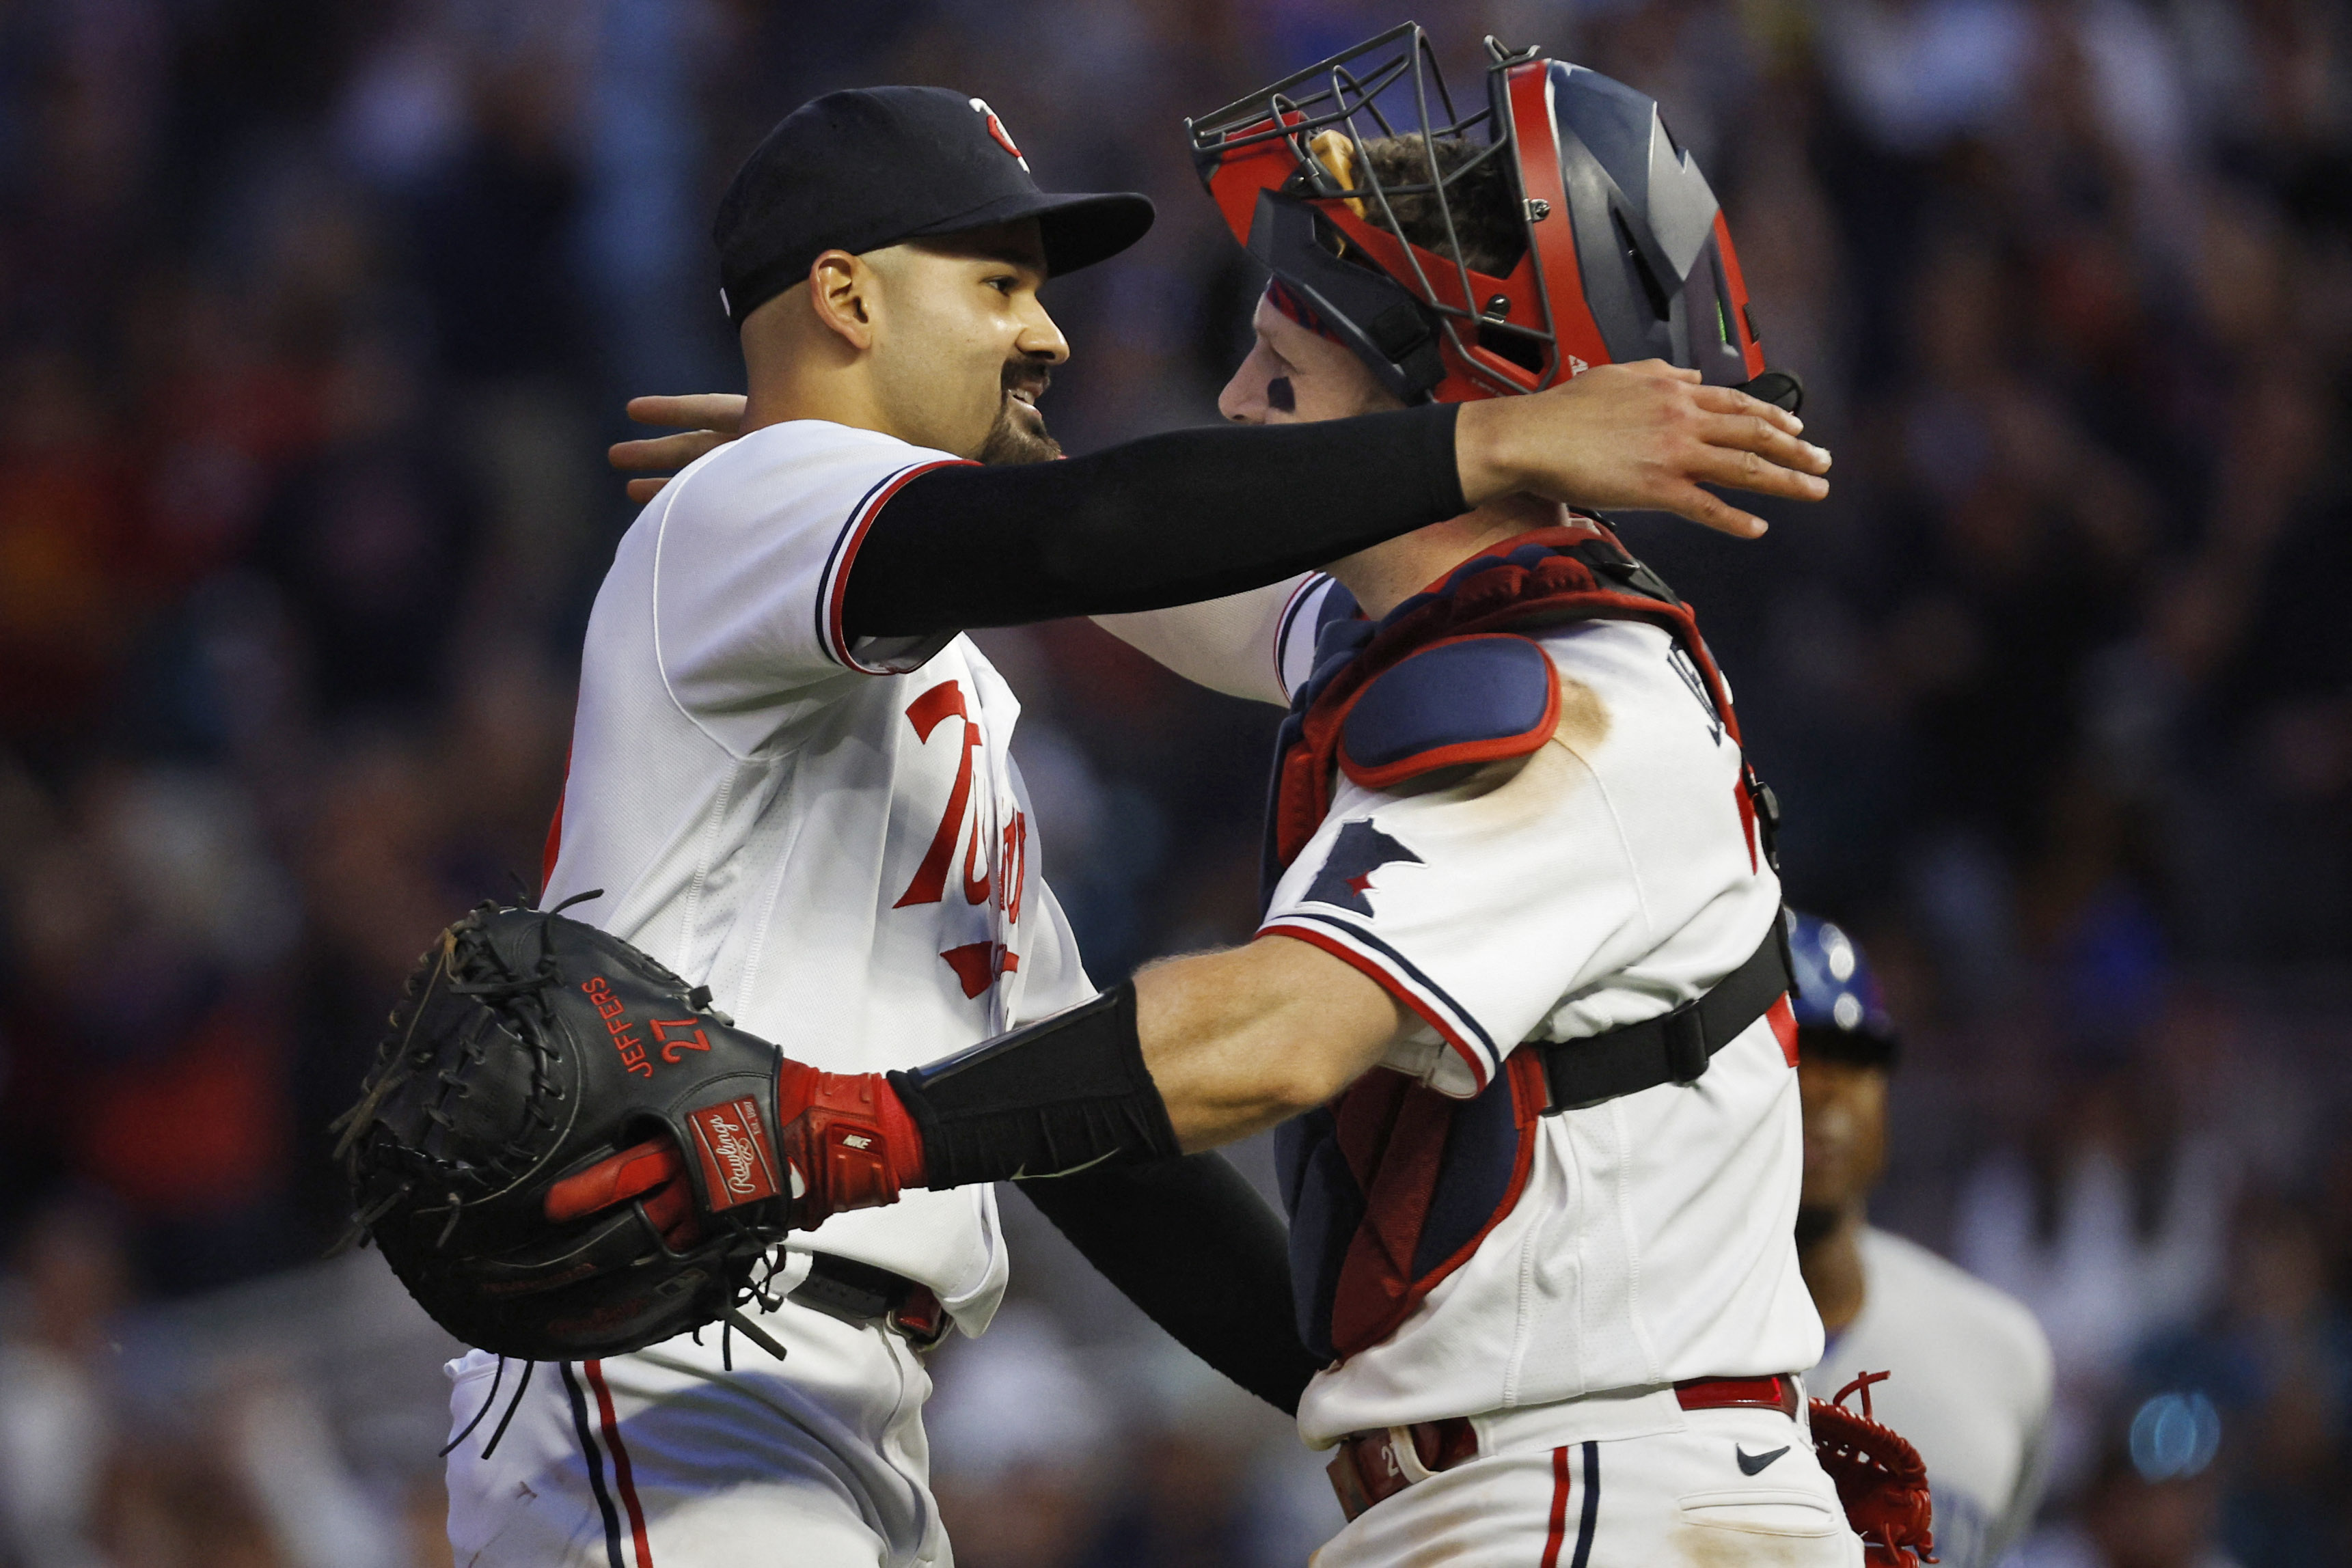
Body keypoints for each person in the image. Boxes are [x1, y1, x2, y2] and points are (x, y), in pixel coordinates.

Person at [454, 79, 1833, 1568]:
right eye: (997, 284)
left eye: (1277, 378)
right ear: (844, 297)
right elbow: (1089, 532)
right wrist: (1494, 446)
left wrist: (1349, 1402)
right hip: (684, 1358)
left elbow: (1102, 1135)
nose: (1048, 336)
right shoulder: (765, 510)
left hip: (834, 1395)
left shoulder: (1533, 675)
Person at [1790, 910, 2055, 1567]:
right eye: (1793, 1056)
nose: (1824, 1090)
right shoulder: (1645, 1350)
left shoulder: (2002, 1357)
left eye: (1853, 1058)